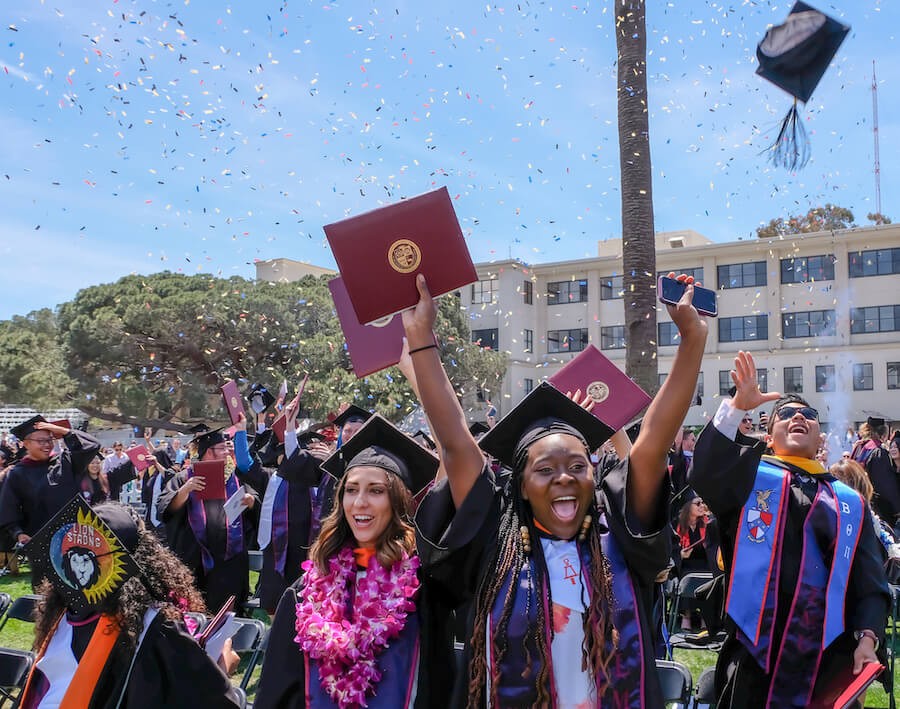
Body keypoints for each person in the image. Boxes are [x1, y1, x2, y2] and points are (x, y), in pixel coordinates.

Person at [409, 272, 707, 707]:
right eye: (545, 469)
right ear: (521, 486)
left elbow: (654, 440)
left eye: (577, 466)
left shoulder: (618, 530)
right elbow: (455, 443)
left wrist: (692, 340)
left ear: (594, 475)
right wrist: (421, 340)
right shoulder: (496, 536)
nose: (564, 477)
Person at [689, 351, 890, 708]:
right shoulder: (747, 480)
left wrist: (867, 639)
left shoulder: (849, 503)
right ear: (768, 438)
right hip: (755, 653)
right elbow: (704, 471)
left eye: (809, 415)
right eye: (785, 414)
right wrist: (737, 406)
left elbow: (870, 583)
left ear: (820, 438)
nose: (798, 416)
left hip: (826, 658)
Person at [255, 415, 451, 709]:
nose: (359, 502)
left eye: (376, 490)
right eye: (351, 489)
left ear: (398, 501)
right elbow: (276, 694)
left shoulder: (423, 590)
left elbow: (441, 686)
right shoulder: (305, 594)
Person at [19, 499, 241, 708]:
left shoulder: (63, 618)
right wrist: (223, 668)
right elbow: (213, 701)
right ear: (144, 557)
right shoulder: (153, 626)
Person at [158, 416, 267, 611]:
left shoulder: (234, 477)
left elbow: (255, 504)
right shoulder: (184, 478)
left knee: (228, 612)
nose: (227, 452)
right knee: (195, 611)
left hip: (230, 562)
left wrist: (251, 501)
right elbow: (165, 510)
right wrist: (185, 490)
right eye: (222, 448)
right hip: (195, 560)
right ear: (209, 451)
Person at [255, 394, 332, 614]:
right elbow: (294, 455)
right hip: (285, 547)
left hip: (318, 545)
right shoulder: (275, 477)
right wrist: (289, 425)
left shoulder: (331, 469)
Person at [0, 416, 100, 549]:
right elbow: (9, 510)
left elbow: (92, 446)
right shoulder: (17, 474)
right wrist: (18, 533)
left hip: (76, 539)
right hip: (40, 543)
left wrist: (62, 431)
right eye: (41, 441)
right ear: (26, 444)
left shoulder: (66, 462)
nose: (47, 445)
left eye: (50, 439)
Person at [852, 418, 900, 527]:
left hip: (859, 503)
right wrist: (897, 509)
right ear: (883, 433)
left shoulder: (860, 447)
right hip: (877, 509)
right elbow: (885, 485)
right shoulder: (878, 452)